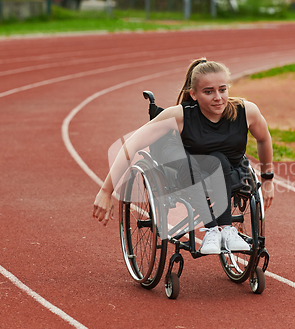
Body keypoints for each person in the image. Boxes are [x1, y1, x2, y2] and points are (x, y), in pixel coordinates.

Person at [93, 58, 274, 255]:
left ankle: (226, 229)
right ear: (193, 95)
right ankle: (212, 229)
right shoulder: (180, 116)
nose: (218, 97)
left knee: (219, 159)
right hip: (184, 167)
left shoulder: (246, 111)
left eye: (222, 89)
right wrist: (106, 190)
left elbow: (264, 139)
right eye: (208, 91)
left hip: (226, 168)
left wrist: (267, 179)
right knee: (201, 161)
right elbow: (132, 143)